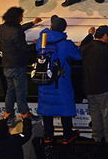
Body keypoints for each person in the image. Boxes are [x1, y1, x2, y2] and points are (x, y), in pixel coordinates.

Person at [36, 15, 82, 144]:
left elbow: (40, 43)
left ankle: (48, 135)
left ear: (51, 27)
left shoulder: (41, 41)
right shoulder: (66, 44)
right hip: (61, 82)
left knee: (47, 107)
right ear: (63, 30)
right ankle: (68, 134)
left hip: (45, 81)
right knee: (64, 107)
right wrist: (78, 47)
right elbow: (78, 56)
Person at [0, 7, 42, 124]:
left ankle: (9, 116)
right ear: (16, 18)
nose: (22, 19)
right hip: (17, 66)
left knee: (10, 91)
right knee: (21, 92)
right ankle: (25, 115)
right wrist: (34, 44)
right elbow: (23, 48)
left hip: (7, 65)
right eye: (21, 17)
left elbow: (18, 29)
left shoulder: (2, 28)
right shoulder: (16, 32)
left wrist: (32, 23)